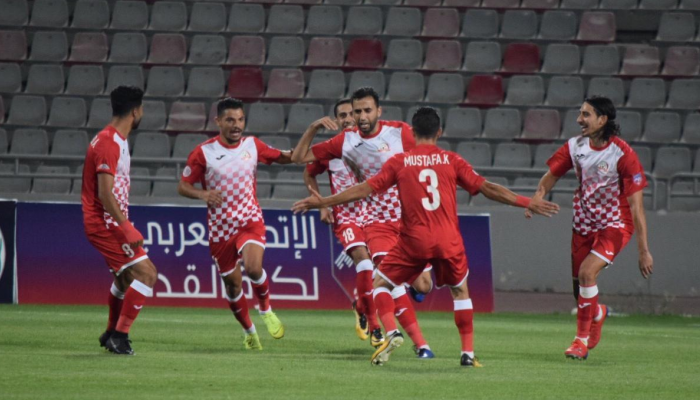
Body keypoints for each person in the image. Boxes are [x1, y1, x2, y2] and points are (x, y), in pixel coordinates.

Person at [293, 107, 559, 366]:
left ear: (412, 132)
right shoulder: (452, 160)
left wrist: (324, 201)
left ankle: (390, 331)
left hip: (414, 241)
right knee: (460, 291)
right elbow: (488, 188)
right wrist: (527, 202)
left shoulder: (399, 162)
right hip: (448, 240)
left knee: (380, 284)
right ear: (439, 132)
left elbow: (364, 189)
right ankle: (467, 353)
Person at [292, 87, 434, 357]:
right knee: (380, 273)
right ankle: (400, 336)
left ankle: (370, 304)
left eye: (365, 110)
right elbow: (300, 159)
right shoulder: (343, 143)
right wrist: (313, 128)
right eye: (356, 112)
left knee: (423, 285)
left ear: (379, 111)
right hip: (371, 219)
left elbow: (429, 157)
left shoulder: (399, 133)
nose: (359, 117)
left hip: (407, 218)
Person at [527, 96, 654, 360]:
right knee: (580, 291)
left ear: (602, 119)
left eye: (586, 115)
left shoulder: (623, 154)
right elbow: (550, 177)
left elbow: (637, 207)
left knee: (587, 273)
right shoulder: (575, 146)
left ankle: (580, 342)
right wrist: (537, 198)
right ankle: (597, 313)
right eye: (580, 114)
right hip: (583, 223)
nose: (579, 120)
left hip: (614, 224)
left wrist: (643, 251)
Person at [178, 98, 292, 350]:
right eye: (230, 120)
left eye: (240, 119)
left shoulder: (253, 145)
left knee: (253, 268)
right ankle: (249, 331)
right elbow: (183, 186)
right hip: (221, 229)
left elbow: (283, 157)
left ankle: (266, 310)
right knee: (233, 285)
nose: (236, 125)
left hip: (249, 220)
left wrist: (306, 151)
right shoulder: (203, 153)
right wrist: (203, 194)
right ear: (218, 121)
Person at [82, 86, 157, 355]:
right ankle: (120, 336)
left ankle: (110, 333)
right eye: (142, 109)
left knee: (125, 279)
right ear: (135, 111)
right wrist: (126, 227)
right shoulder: (108, 143)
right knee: (147, 274)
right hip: (105, 224)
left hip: (107, 221)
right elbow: (105, 193)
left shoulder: (115, 139)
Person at [302, 99, 377, 342]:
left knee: (382, 274)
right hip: (346, 217)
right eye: (342, 115)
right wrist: (322, 204)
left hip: (375, 215)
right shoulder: (330, 150)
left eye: (351, 114)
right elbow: (308, 174)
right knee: (364, 263)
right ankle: (375, 326)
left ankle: (360, 306)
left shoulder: (373, 144)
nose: (347, 119)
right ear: (336, 120)